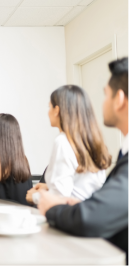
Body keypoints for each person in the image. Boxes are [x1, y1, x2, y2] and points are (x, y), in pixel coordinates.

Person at [38, 57, 129, 264]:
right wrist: (81, 204)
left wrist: (52, 207)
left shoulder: (62, 142)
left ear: (120, 99)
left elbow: (91, 218)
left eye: (106, 95)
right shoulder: (119, 151)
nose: (102, 103)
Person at [26, 85, 111, 205]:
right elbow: (81, 187)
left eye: (49, 106)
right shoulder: (92, 143)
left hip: (72, 217)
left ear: (57, 110)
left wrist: (34, 197)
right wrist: (48, 187)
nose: (48, 112)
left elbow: (60, 197)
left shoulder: (62, 141)